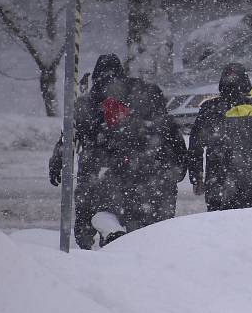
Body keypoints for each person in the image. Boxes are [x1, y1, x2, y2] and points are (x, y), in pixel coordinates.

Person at [49, 53, 186, 248]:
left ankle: (98, 248)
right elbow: (170, 132)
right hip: (138, 173)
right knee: (143, 225)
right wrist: (178, 166)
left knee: (94, 214)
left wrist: (58, 160)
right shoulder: (141, 96)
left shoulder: (88, 104)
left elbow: (70, 136)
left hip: (99, 172)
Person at [188, 63, 252, 211]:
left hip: (219, 178)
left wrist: (196, 175)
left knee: (218, 223)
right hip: (247, 178)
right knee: (244, 223)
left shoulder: (210, 108)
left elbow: (195, 145)